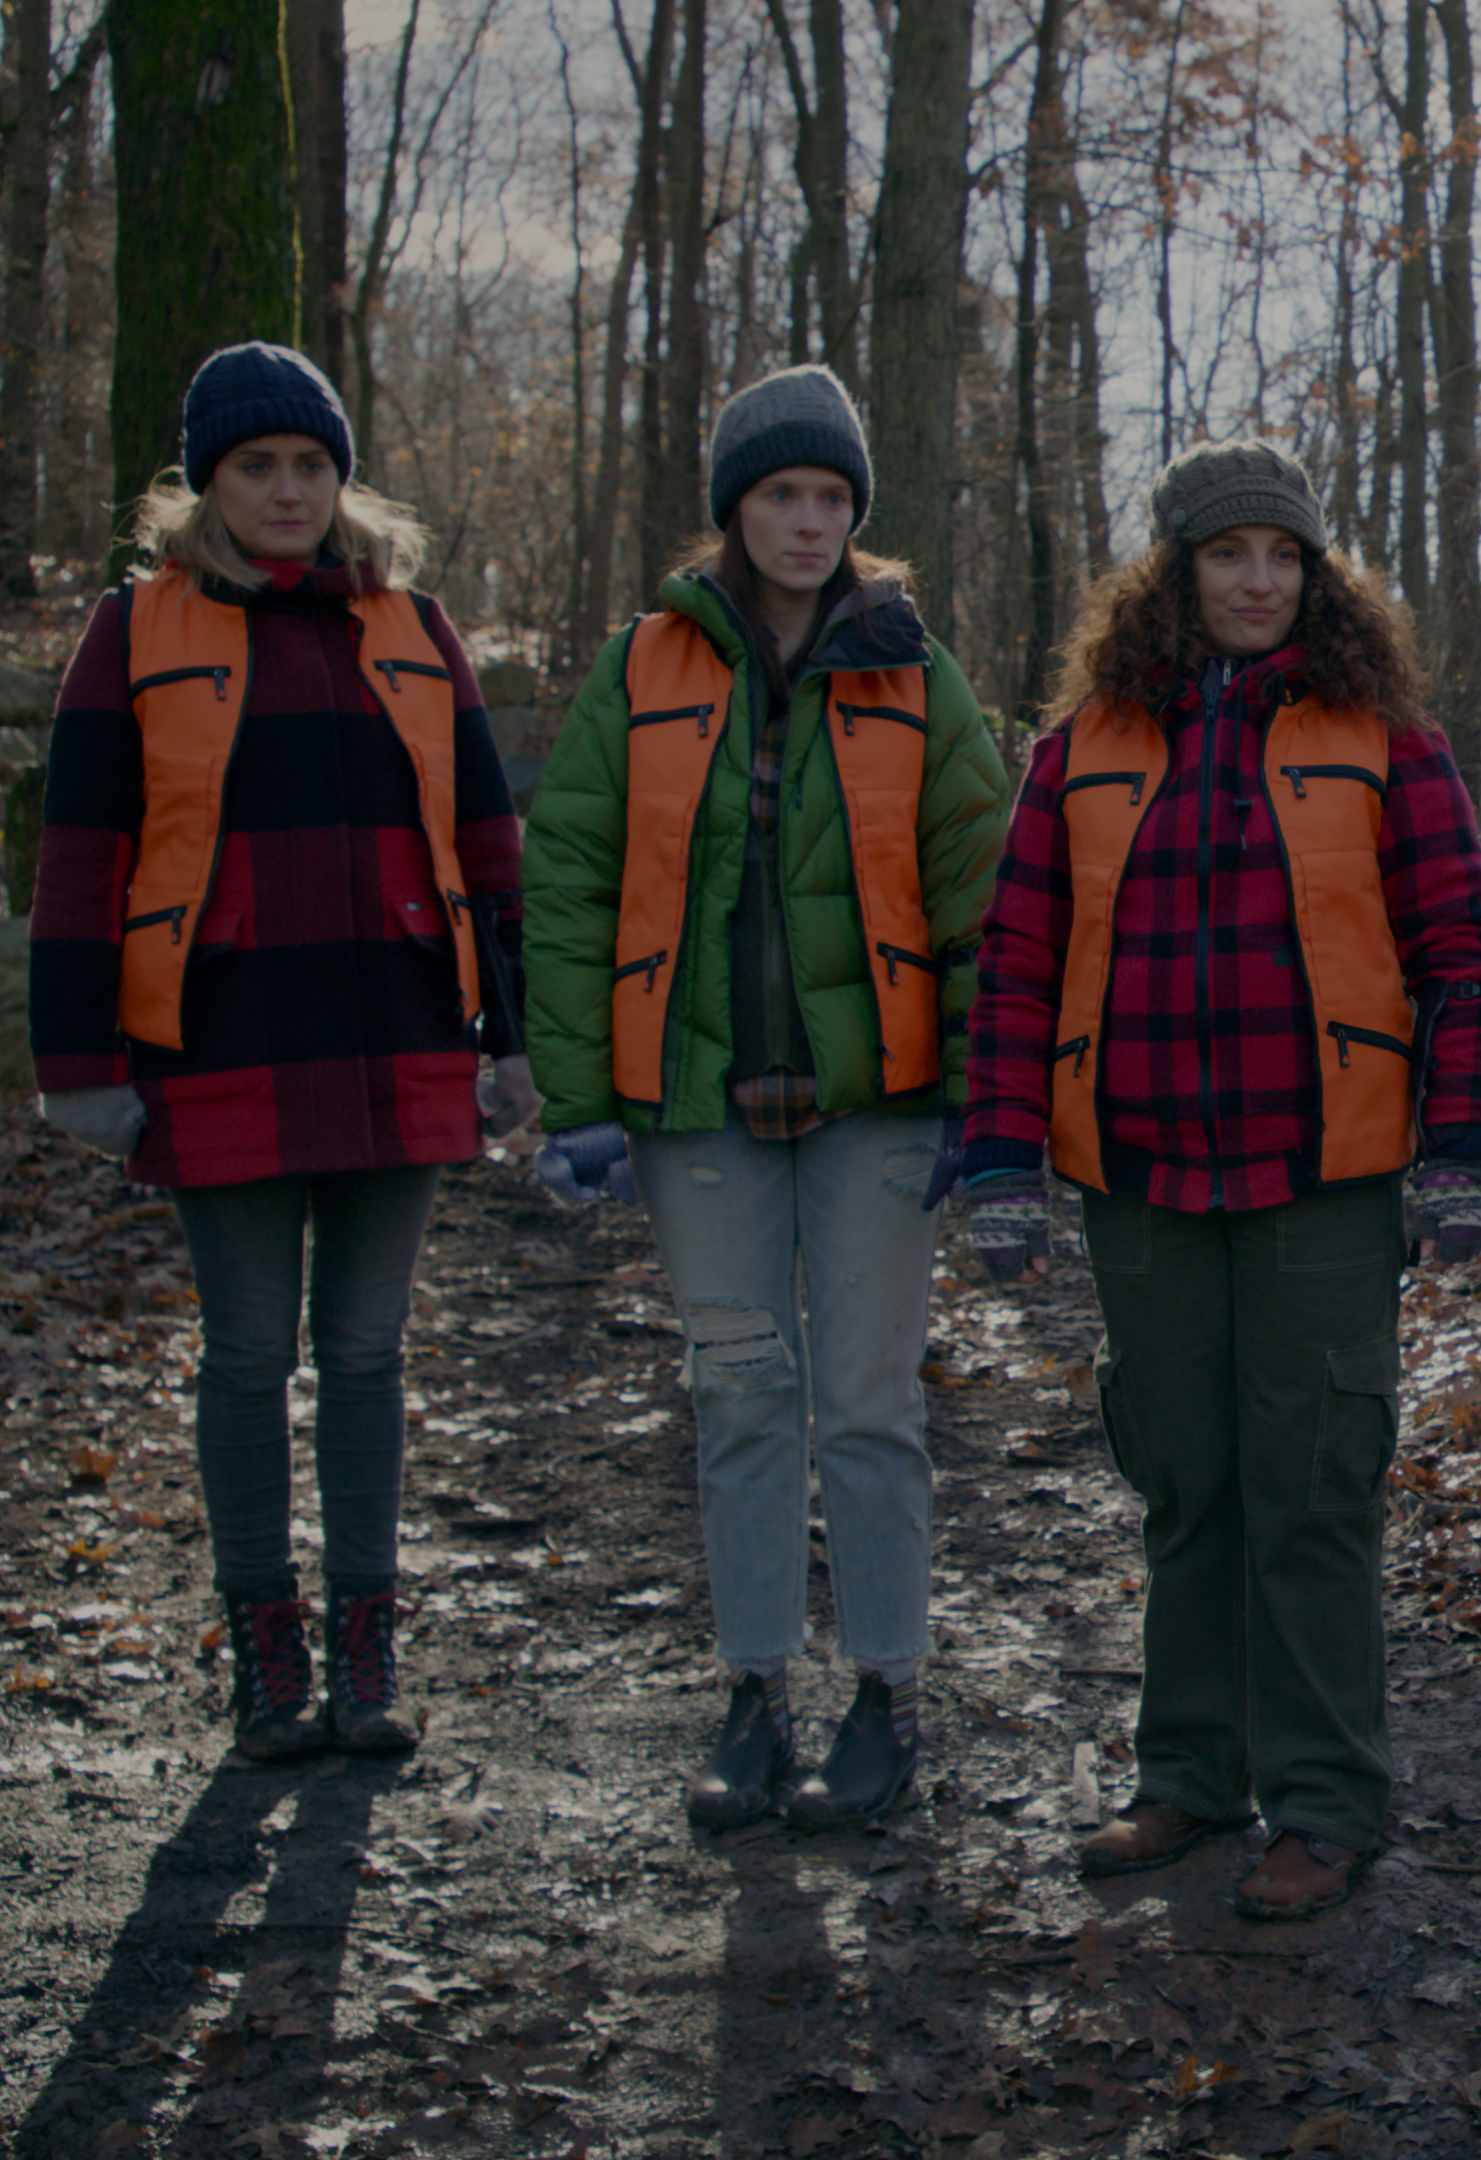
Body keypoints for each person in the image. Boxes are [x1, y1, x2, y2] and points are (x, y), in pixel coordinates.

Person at [947, 440, 1481, 1917]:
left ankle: (1324, 1800)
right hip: (1138, 1178)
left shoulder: (1386, 736)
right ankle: (1189, 1777)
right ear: (1177, 574)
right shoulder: (1085, 745)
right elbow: (1012, 965)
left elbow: (1464, 956)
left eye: (1283, 557)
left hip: (1324, 1176)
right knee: (1185, 1484)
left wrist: (1462, 1147)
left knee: (1315, 1487)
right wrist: (1000, 1155)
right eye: (1227, 556)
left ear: (1315, 577)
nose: (1257, 582)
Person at [520, 365, 1010, 1833]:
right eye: (781, 495)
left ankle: (884, 1689)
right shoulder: (646, 667)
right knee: (739, 1396)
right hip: (696, 1126)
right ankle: (753, 1692)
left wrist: (985, 1117)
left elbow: (987, 893)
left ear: (857, 513)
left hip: (879, 1119)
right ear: (736, 506)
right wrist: (577, 1097)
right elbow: (570, 881)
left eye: (832, 498)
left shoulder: (916, 673)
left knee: (866, 1407)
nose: (807, 522)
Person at [28, 341, 527, 1762]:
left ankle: (370, 1648)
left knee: (366, 1352)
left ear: (341, 478)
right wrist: (78, 1062)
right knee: (249, 1354)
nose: (289, 490)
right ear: (207, 483)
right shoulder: (134, 632)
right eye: (258, 467)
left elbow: (490, 847)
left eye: (311, 464)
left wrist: (514, 1035)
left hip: (401, 1026)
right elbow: (81, 861)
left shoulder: (414, 627)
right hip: (220, 1034)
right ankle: (269, 1652)